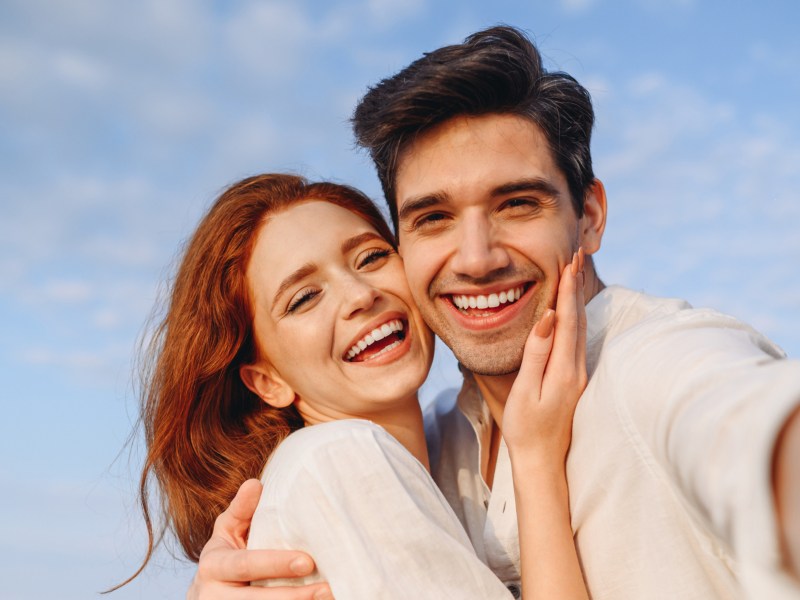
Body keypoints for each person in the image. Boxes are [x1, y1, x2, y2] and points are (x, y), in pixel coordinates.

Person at [191, 25, 800, 599]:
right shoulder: (399, 451)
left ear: (588, 217)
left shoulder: (654, 363)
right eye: (434, 217)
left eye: (517, 204)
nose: (477, 259)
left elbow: (746, 422)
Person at [121, 173, 589, 599]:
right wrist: (538, 461)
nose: (360, 294)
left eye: (370, 257)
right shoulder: (340, 457)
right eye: (304, 298)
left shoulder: (441, 441)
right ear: (268, 382)